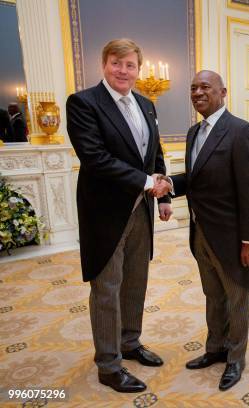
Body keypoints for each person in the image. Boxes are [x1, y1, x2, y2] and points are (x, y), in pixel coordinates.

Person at [66, 38, 172, 393]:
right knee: (107, 288)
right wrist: (146, 182)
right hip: (105, 212)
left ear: (138, 70)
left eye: (130, 65)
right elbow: (95, 158)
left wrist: (162, 198)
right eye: (116, 63)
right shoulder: (83, 103)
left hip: (141, 209)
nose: (123, 71)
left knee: (135, 281)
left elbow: (153, 151)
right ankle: (109, 366)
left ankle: (130, 343)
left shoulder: (145, 103)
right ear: (104, 64)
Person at [152, 70, 249, 391]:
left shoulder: (241, 131)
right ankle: (215, 348)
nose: (198, 92)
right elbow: (196, 178)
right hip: (200, 232)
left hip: (232, 237)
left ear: (223, 92)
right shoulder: (193, 132)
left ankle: (235, 359)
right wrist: (171, 183)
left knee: (237, 297)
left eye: (205, 87)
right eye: (193, 88)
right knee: (213, 296)